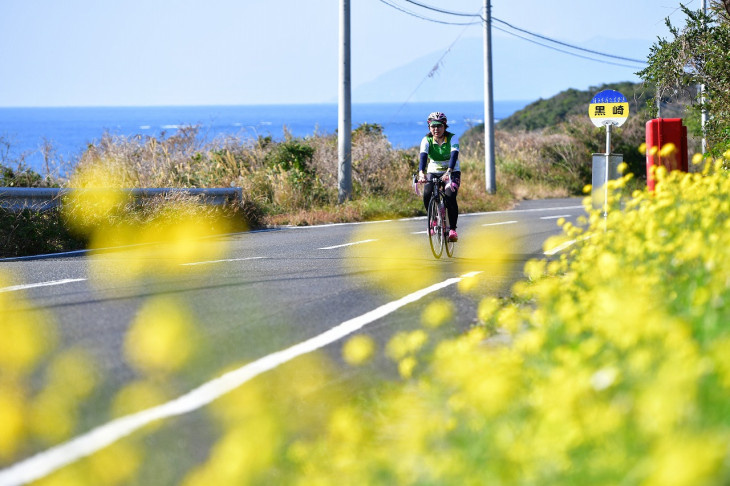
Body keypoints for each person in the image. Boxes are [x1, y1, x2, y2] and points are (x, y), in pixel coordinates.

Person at [417, 111, 460, 241]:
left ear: (445, 126)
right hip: (434, 170)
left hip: (451, 171)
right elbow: (423, 157)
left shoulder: (452, 138)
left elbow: (454, 155)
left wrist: (449, 171)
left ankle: (452, 229)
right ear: (429, 127)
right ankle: (433, 220)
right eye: (433, 126)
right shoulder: (426, 140)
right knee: (427, 193)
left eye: (439, 126)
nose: (436, 129)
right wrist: (421, 173)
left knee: (450, 196)